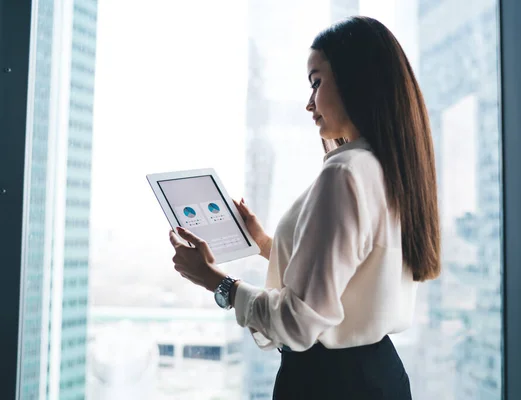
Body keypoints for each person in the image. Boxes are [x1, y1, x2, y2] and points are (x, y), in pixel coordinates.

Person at [169, 16, 440, 400]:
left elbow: (297, 324)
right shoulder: (391, 167)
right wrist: (265, 243)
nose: (309, 102)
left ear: (355, 79)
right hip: (380, 377)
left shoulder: (344, 173)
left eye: (316, 82)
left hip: (329, 384)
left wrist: (214, 280)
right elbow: (351, 270)